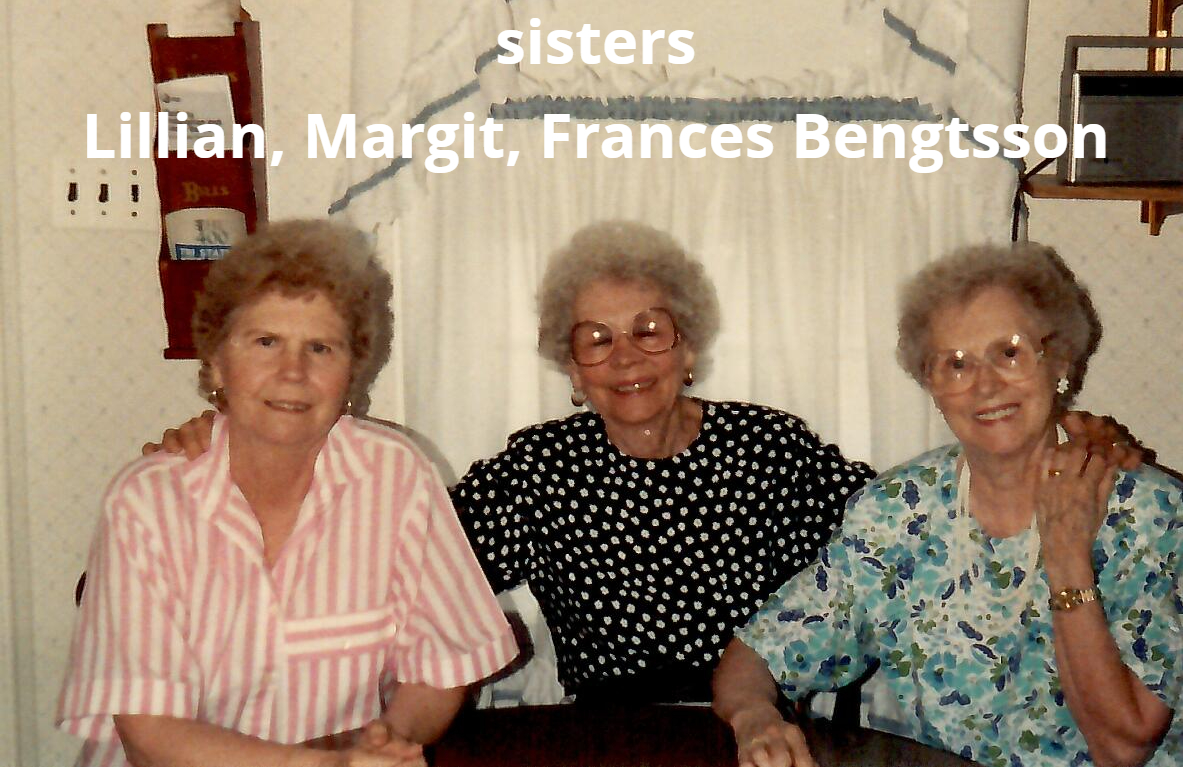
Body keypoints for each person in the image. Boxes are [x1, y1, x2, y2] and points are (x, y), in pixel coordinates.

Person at [146, 223, 1137, 707]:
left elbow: (912, 526)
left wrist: (1064, 438)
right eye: (595, 338)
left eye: (649, 329)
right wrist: (236, 454)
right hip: (603, 737)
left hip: (756, 729)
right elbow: (400, 552)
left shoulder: (769, 448)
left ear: (687, 342)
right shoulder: (540, 467)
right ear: (569, 365)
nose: (625, 357)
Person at [58, 220, 518, 767]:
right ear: (216, 363)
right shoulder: (147, 502)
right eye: (266, 342)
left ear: (351, 373)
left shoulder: (396, 477)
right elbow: (149, 734)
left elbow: (441, 668)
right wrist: (321, 765)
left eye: (320, 348)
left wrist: (385, 741)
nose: (293, 372)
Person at [712, 242, 1180, 767]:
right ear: (930, 383)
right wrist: (755, 718)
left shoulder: (1146, 514)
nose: (986, 384)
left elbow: (1122, 748)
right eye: (955, 364)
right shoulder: (896, 513)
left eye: (1010, 352)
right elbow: (757, 654)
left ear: (1060, 360)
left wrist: (1067, 552)